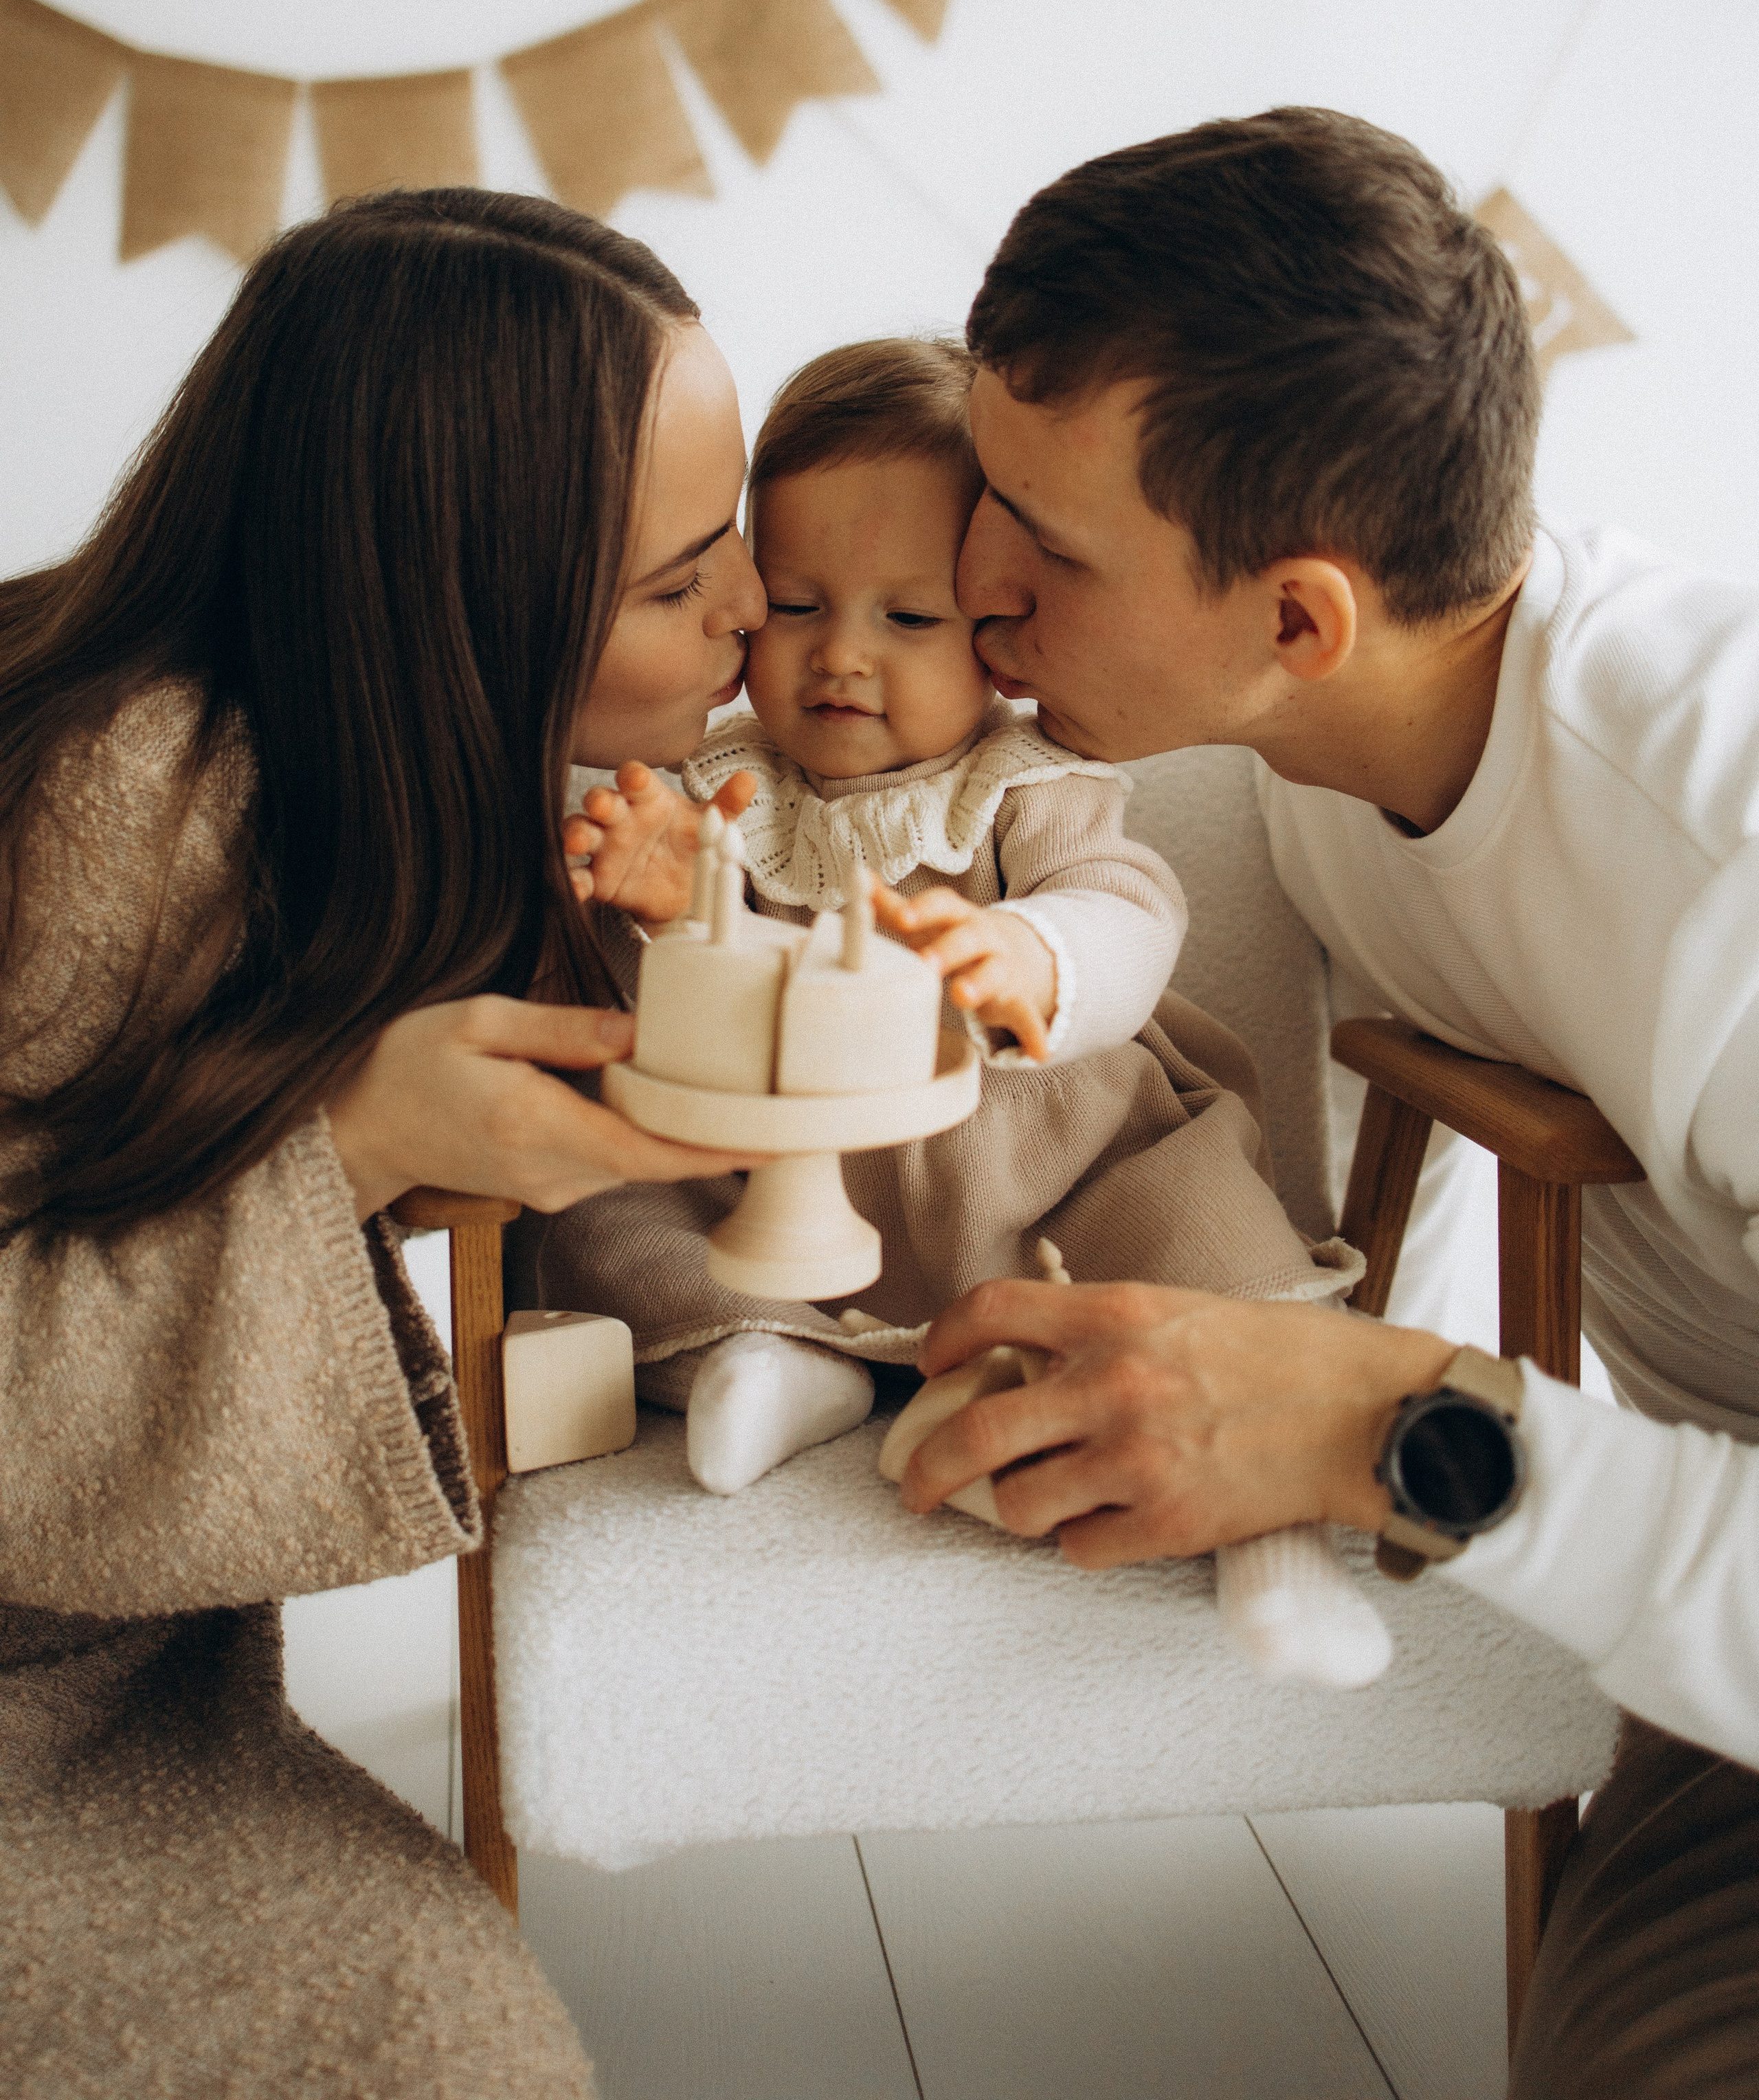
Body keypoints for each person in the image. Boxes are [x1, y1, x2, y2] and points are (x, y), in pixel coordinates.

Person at [890, 108, 1759, 2095]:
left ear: (1299, 618)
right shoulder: (1340, 760)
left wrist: (1399, 1431)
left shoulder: (1730, 869)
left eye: (1048, 539)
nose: (969, 578)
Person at [0, 188, 772, 2097]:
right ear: (464, 603)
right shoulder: (114, 804)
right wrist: (331, 1158)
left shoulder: (421, 798)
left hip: (118, 1710)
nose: (753, 615)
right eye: (683, 585)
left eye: (735, 539)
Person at [528, 337, 1383, 1678]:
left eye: (908, 618)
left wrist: (1026, 952)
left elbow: (1125, 899)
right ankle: (767, 1361)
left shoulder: (1016, 780)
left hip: (1036, 1160)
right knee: (604, 1211)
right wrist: (683, 901)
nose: (842, 660)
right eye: (796, 606)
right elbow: (692, 1011)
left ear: (993, 624)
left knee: (1190, 1203)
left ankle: (1267, 1533)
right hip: (779, 1183)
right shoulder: (710, 788)